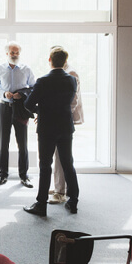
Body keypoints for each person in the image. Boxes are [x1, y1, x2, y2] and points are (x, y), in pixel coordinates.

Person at [23, 46, 79, 217]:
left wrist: (41, 111)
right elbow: (67, 101)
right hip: (65, 126)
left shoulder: (43, 81)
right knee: (67, 163)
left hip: (47, 127)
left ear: (49, 60)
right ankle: (73, 201)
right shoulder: (71, 80)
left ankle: (41, 204)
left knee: (45, 165)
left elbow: (28, 105)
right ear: (65, 62)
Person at [0, 41, 36, 188]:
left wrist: (22, 95)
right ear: (7, 54)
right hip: (4, 107)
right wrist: (4, 93)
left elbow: (33, 88)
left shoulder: (26, 69)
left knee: (22, 143)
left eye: (17, 53)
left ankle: (24, 175)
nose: (14, 55)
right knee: (3, 142)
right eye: (12, 52)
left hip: (20, 109)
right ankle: (3, 174)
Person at [49, 46, 84, 204]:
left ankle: (61, 192)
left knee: (62, 158)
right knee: (60, 156)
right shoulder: (66, 71)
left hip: (62, 121)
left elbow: (71, 101)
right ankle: (59, 186)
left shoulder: (70, 73)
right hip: (61, 120)